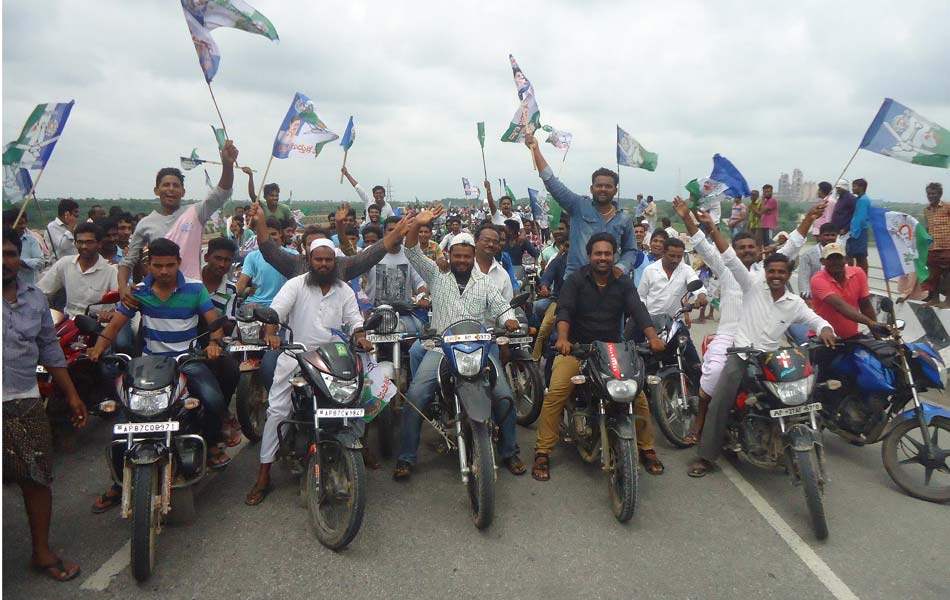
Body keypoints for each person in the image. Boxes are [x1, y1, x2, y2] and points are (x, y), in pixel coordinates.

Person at [87, 239, 233, 514]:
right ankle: (119, 483)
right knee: (122, 422)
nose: (164, 271)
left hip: (187, 360)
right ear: (148, 265)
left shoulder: (194, 288)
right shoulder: (139, 292)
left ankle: (212, 443)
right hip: (149, 365)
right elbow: (116, 325)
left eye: (169, 265)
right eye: (157, 265)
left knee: (213, 400)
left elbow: (214, 323)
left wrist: (215, 343)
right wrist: (98, 348)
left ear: (178, 263)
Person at [672, 196, 822, 446]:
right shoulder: (725, 268)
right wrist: (688, 218)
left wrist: (809, 218)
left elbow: (793, 245)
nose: (747, 251)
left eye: (751, 247)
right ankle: (701, 425)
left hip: (765, 342)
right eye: (741, 248)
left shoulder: (768, 271)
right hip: (729, 339)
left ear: (759, 250)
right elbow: (702, 244)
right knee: (713, 378)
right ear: (733, 250)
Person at [393, 207, 525, 480]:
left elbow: (502, 307)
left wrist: (510, 319)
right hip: (442, 347)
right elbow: (411, 251)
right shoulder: (436, 276)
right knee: (416, 396)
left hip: (481, 346)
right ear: (449, 256)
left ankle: (510, 452)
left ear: (472, 256)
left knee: (504, 396)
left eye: (466, 256)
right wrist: (418, 224)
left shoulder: (485, 283)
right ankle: (406, 457)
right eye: (457, 256)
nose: (462, 260)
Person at [686, 246, 835, 477]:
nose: (776, 276)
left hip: (770, 358)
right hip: (742, 354)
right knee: (720, 401)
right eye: (772, 271)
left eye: (781, 272)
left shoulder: (793, 302)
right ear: (765, 272)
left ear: (788, 275)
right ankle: (706, 456)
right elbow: (730, 258)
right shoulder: (752, 288)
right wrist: (710, 228)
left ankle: (788, 444)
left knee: (800, 393)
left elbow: (814, 319)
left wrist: (825, 328)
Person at [531, 232, 667, 480]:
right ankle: (542, 452)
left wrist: (653, 337)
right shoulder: (575, 280)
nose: (603, 258)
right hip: (576, 349)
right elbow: (564, 311)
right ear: (589, 255)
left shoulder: (622, 282)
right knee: (557, 392)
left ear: (614, 255)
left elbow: (638, 308)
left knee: (637, 396)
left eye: (607, 253)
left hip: (612, 350)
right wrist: (562, 339)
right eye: (598, 253)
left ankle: (646, 448)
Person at [245, 239, 371, 505]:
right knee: (278, 412)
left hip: (334, 360)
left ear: (335, 262)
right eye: (319, 259)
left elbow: (354, 320)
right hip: (296, 355)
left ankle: (358, 450)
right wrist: (271, 335)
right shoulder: (295, 285)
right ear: (309, 259)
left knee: (356, 400)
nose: (324, 264)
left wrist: (360, 335)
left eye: (328, 260)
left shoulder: (344, 289)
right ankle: (263, 475)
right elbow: (276, 313)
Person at [3, 231, 87, 582]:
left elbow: (50, 350)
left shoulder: (35, 298)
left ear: (18, 258)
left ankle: (41, 552)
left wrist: (72, 395)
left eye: (8, 253)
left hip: (23, 400)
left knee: (36, 478)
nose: (3, 259)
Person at [119, 141, 238, 304]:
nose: (171, 189)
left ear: (183, 191)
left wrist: (227, 165)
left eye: (176, 185)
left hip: (191, 296)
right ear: (156, 190)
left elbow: (221, 193)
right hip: (158, 297)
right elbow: (128, 261)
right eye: (166, 185)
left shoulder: (196, 212)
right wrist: (123, 286)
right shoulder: (145, 223)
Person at [525, 132, 637, 279]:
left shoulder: (624, 218)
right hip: (576, 282)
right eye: (599, 185)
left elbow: (630, 250)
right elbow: (552, 183)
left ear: (615, 190)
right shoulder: (578, 206)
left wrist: (621, 268)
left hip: (610, 283)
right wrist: (536, 149)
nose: (603, 189)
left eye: (608, 186)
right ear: (592, 188)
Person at [37, 223, 118, 319]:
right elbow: (41, 291)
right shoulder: (65, 263)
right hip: (69, 323)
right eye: (80, 242)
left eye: (89, 242)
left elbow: (121, 302)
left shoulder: (111, 270)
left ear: (99, 244)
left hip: (98, 324)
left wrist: (111, 314)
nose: (84, 246)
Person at [810, 243, 890, 339]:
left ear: (846, 259)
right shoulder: (818, 280)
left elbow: (865, 306)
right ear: (822, 261)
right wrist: (871, 323)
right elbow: (840, 306)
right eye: (831, 259)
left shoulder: (858, 273)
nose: (835, 262)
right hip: (823, 337)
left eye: (839, 258)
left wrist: (877, 336)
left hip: (851, 336)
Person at [363, 215, 428, 334]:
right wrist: (362, 303)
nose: (396, 233)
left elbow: (419, 282)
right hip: (374, 312)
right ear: (384, 232)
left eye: (400, 229)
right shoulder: (370, 252)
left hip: (403, 313)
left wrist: (423, 297)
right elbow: (354, 278)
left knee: (418, 330)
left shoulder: (410, 255)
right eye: (391, 230)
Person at [237, 218, 297, 307]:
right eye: (266, 235)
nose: (270, 238)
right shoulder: (252, 257)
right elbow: (241, 283)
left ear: (280, 233)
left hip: (282, 306)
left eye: (273, 234)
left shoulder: (293, 255)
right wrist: (242, 291)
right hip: (255, 305)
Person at [531, 237, 569, 361]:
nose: (570, 249)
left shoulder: (584, 263)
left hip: (579, 304)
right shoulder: (558, 261)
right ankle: (535, 359)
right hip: (558, 301)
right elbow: (546, 277)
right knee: (544, 330)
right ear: (564, 247)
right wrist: (544, 286)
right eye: (567, 246)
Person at [923, 182, 950, 306]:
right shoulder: (927, 210)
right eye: (929, 194)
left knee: (947, 273)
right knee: (933, 275)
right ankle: (935, 298)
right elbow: (928, 228)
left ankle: (948, 300)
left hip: (947, 246)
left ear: (939, 194)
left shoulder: (947, 207)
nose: (931, 196)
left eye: (933, 193)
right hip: (933, 247)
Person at [798, 223, 839, 305]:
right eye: (826, 235)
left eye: (833, 235)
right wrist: (807, 298)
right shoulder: (808, 255)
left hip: (837, 297)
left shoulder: (842, 253)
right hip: (815, 296)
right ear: (820, 236)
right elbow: (803, 278)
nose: (830, 238)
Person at [3, 208, 46, 284]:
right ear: (8, 224)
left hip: (28, 286)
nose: (23, 226)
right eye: (19, 223)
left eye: (24, 223)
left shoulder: (31, 240)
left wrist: (20, 262)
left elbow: (41, 262)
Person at [847, 178, 871, 274]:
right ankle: (858, 275)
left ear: (861, 187)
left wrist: (855, 232)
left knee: (861, 256)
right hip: (857, 230)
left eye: (854, 186)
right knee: (856, 255)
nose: (852, 188)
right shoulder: (859, 199)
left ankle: (863, 277)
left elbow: (860, 218)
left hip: (859, 231)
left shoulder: (863, 200)